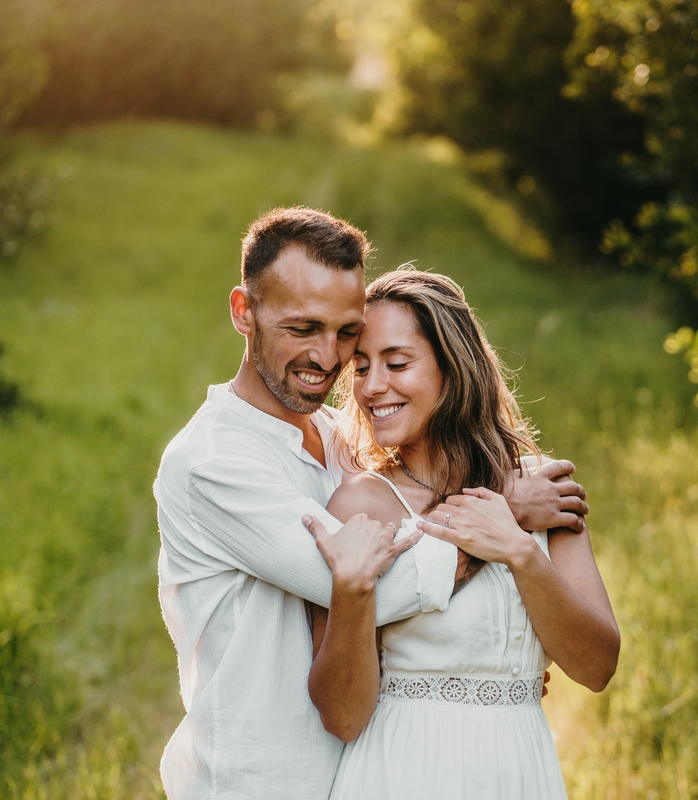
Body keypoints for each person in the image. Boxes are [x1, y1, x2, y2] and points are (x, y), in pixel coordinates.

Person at [153, 207, 589, 799]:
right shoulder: (212, 461)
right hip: (260, 782)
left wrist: (487, 670)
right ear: (243, 312)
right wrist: (504, 511)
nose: (327, 357)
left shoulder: (344, 439)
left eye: (346, 333)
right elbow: (376, 586)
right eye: (302, 328)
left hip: (372, 769)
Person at [303, 269, 620, 800]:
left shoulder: (541, 489)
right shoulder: (361, 504)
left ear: (454, 368)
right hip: (400, 774)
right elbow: (342, 716)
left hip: (520, 774)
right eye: (360, 368)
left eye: (396, 363)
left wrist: (521, 552)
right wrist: (352, 591)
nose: (372, 386)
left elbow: (597, 668)